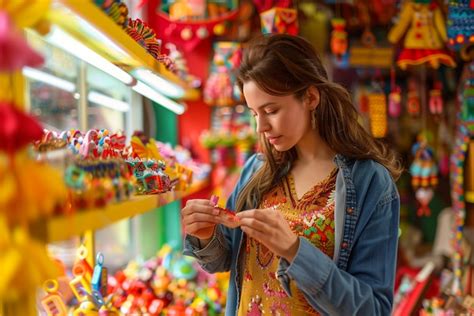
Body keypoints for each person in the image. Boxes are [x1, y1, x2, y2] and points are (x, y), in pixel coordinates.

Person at [182, 33, 402, 315]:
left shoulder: (370, 183)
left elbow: (374, 310)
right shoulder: (256, 169)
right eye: (253, 113)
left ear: (310, 97)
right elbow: (224, 260)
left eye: (271, 110)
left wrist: (296, 251)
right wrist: (204, 235)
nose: (261, 126)